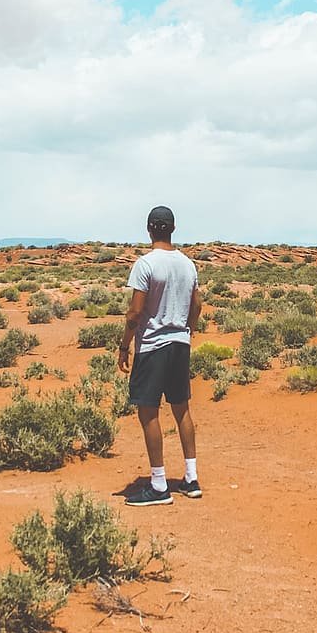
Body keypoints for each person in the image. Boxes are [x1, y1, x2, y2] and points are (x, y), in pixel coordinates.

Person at [118, 206, 202, 505]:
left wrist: (124, 344)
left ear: (150, 229)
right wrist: (187, 331)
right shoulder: (188, 264)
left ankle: (158, 485)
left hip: (153, 346)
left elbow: (135, 312)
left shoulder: (145, 264)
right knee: (182, 409)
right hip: (181, 344)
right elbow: (197, 305)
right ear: (173, 229)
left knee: (148, 411)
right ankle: (191, 479)